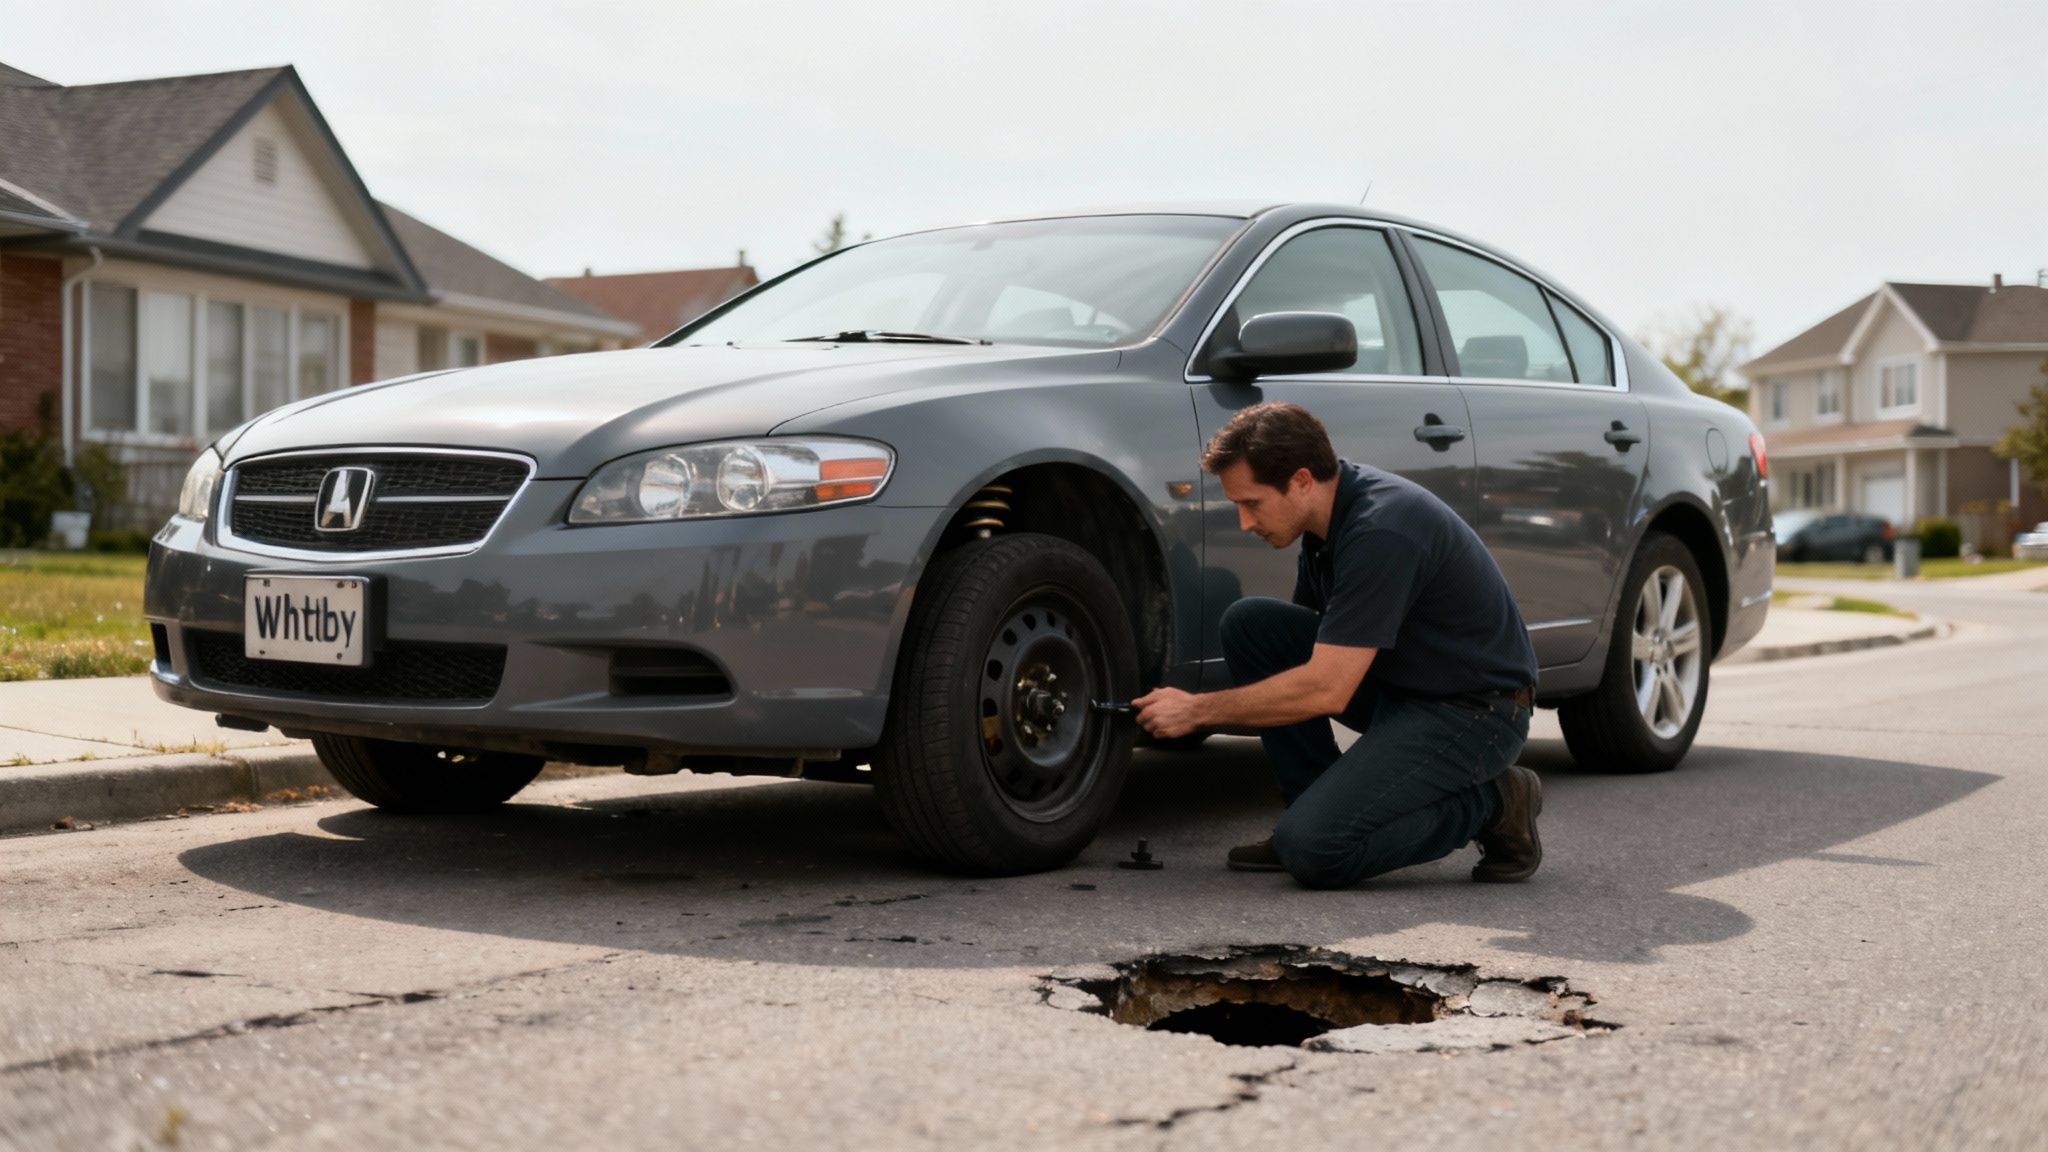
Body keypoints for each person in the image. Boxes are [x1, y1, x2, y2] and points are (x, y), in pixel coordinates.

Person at [1133, 402, 1543, 888]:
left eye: (1252, 503)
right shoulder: (1325, 525)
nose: (1244, 522)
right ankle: (1311, 807)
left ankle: (1495, 802)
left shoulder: (1382, 529)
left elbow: (1324, 689)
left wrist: (1197, 712)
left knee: (1315, 851)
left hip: (1475, 712)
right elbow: (1308, 658)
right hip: (1403, 689)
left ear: (1302, 480)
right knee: (1252, 624)